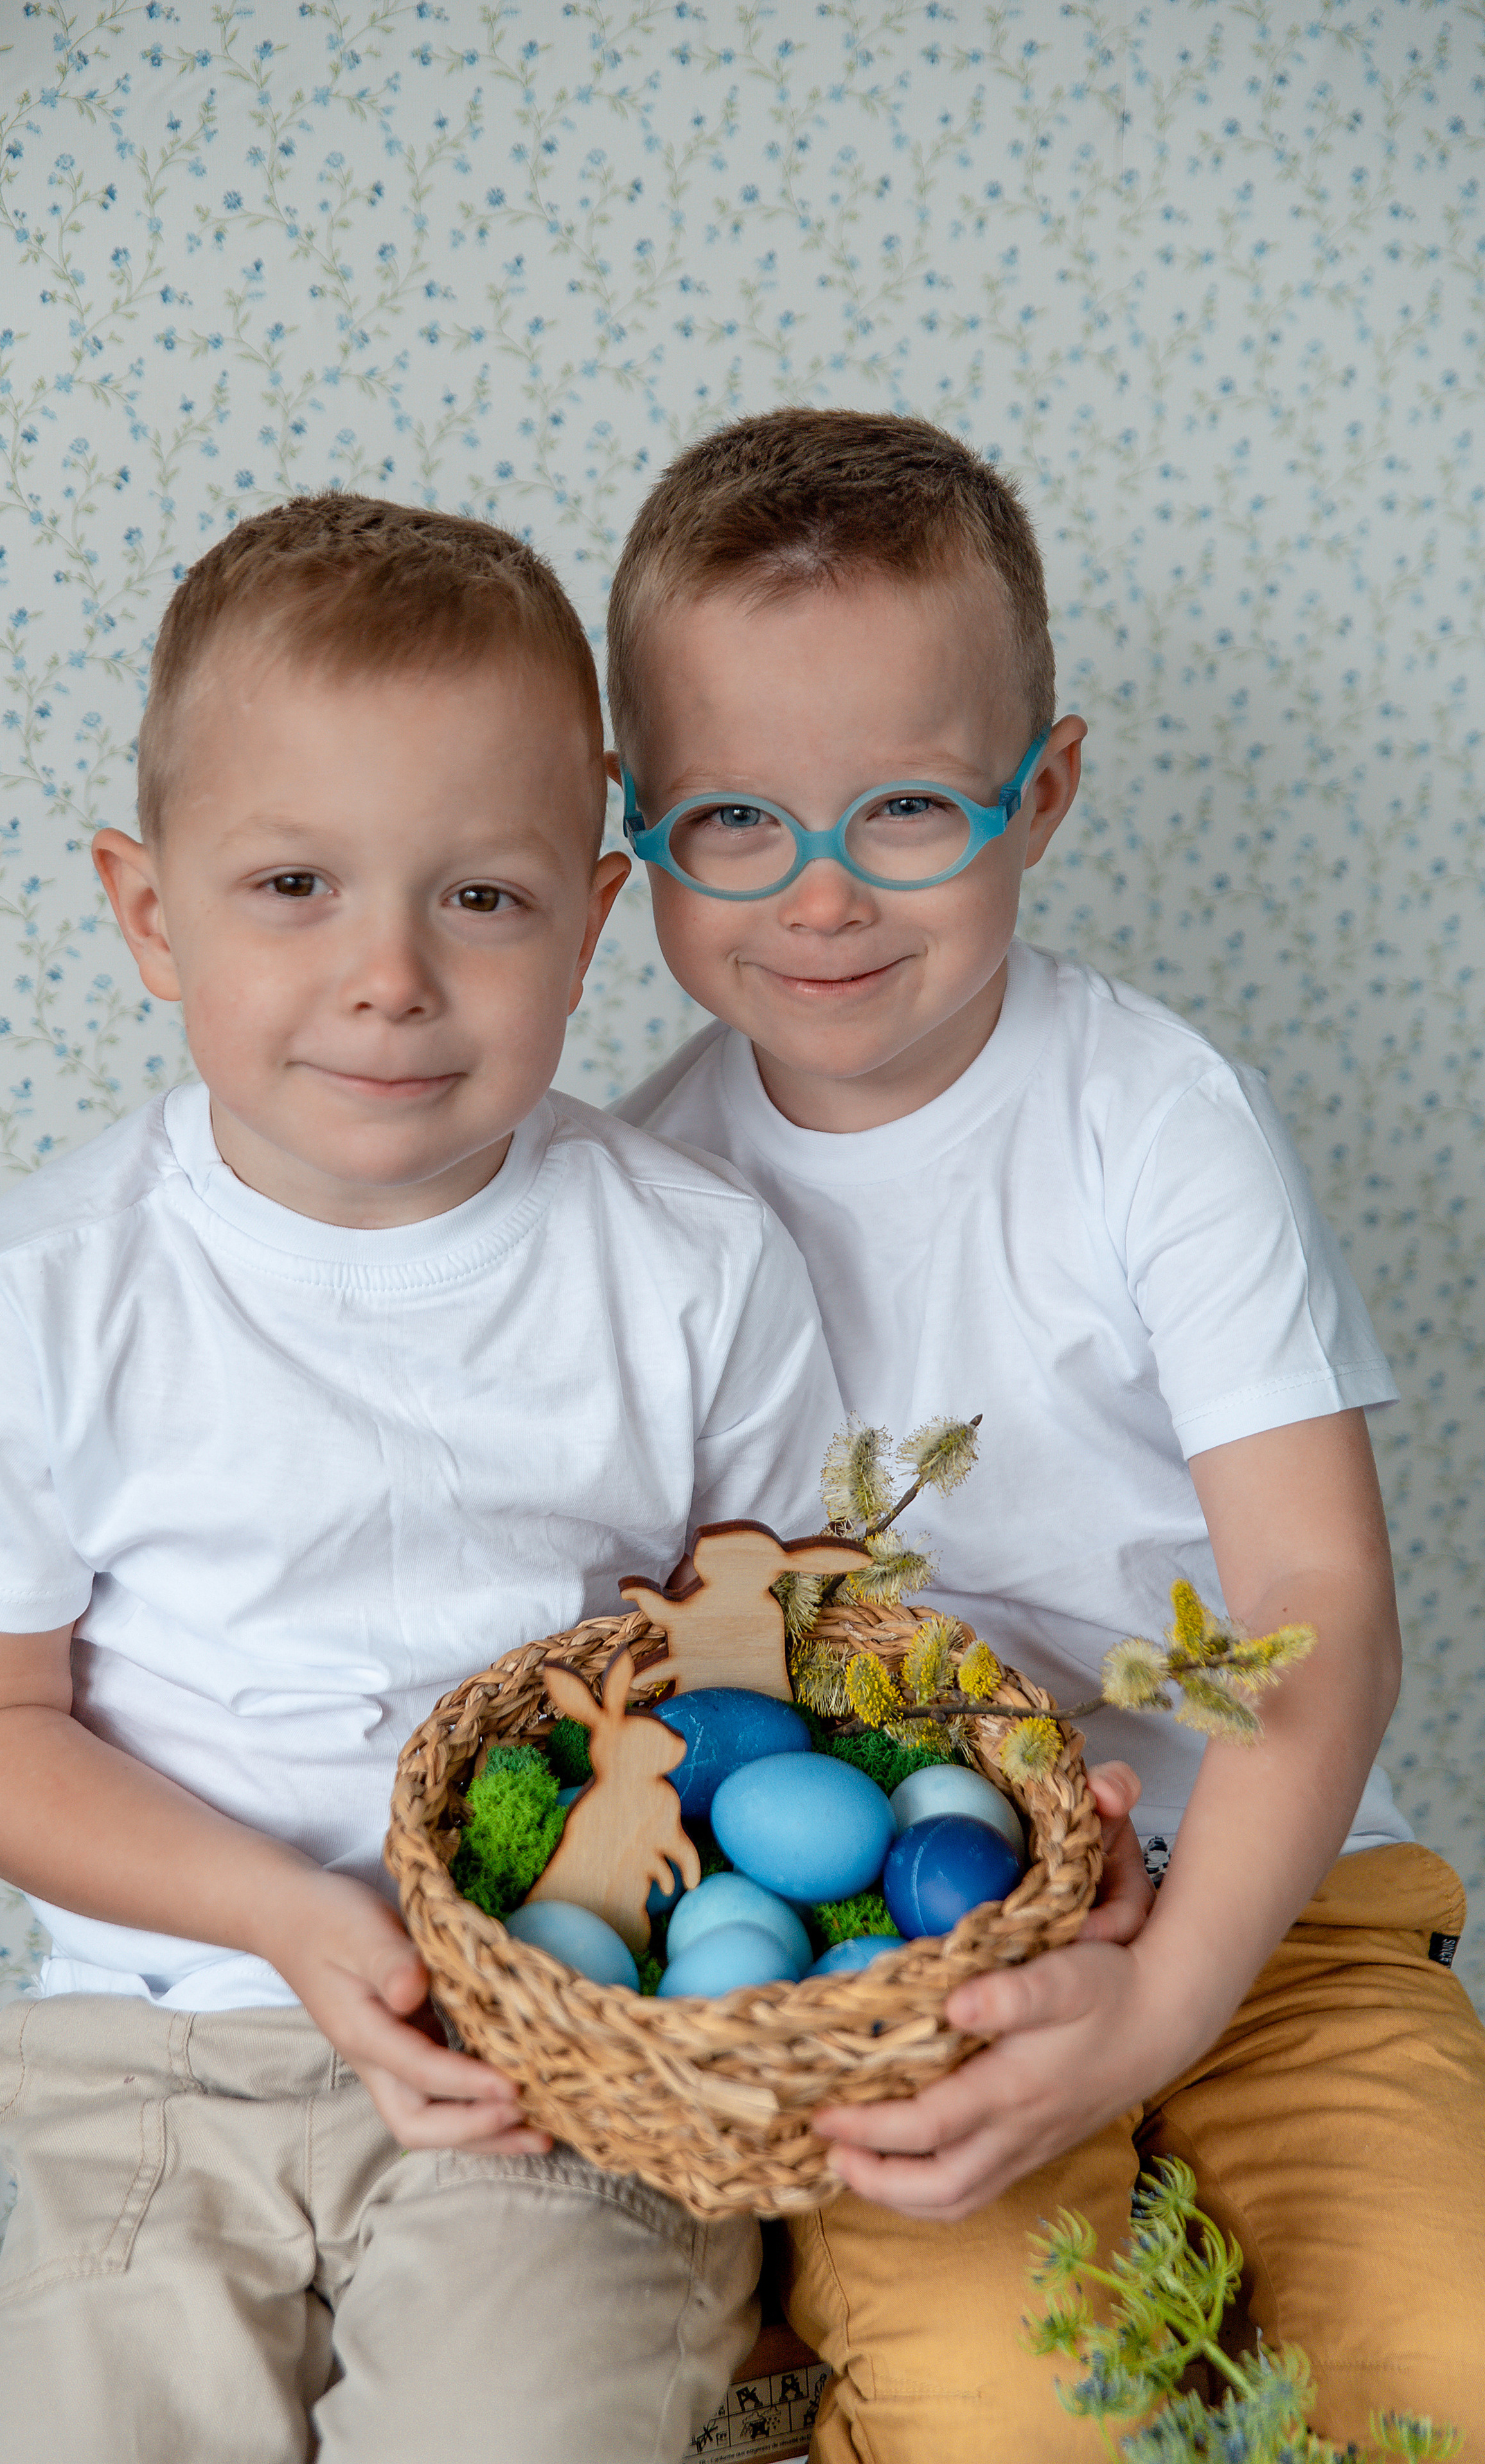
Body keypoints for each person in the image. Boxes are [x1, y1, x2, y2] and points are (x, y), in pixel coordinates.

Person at [0, 493, 855, 2464]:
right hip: (164, 2047)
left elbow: (778, 1652)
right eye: (295, 882)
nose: (390, 973)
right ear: (153, 914)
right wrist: (288, 1913)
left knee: (526, 2425)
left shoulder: (687, 1262)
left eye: (480, 898)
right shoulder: (55, 1287)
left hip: (556, 2048)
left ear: (587, 912)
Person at [609, 407, 1485, 2456]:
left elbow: (1315, 1594)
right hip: (908, 1958)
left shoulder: (1152, 1118)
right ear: (633, 818)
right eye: (734, 820)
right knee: (1014, 2411)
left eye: (909, 804)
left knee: (1448, 2360)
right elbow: (663, 1654)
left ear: (1047, 788)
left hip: (1281, 1919)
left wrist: (1170, 1995)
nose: (821, 897)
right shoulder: (632, 1195)